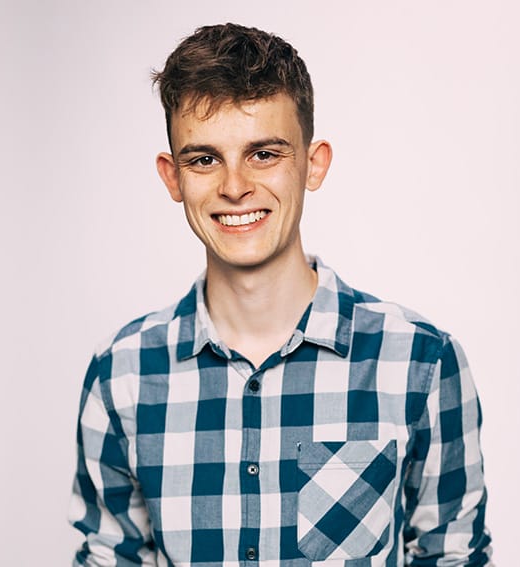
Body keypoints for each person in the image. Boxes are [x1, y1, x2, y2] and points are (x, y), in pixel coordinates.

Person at [69, 23, 493, 566]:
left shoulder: (420, 362)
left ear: (313, 164)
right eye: (204, 160)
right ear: (173, 177)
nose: (235, 186)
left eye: (264, 154)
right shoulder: (121, 375)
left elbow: (453, 555)